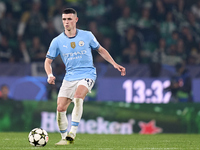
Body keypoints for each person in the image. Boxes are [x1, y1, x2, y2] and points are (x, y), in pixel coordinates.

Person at [44, 8, 126, 145]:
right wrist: (49, 74)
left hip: (87, 73)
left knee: (78, 97)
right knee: (60, 108)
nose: (66, 22)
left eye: (69, 19)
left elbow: (100, 50)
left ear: (76, 20)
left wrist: (114, 63)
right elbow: (48, 61)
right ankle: (64, 138)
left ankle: (72, 133)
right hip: (69, 76)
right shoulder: (57, 41)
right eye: (64, 19)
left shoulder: (87, 36)